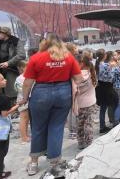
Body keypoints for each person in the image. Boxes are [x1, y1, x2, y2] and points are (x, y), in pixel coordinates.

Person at [19, 33, 83, 176]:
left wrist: (24, 98)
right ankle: (55, 162)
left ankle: (34, 163)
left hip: (41, 93)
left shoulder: (36, 58)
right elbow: (78, 79)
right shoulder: (68, 57)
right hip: (63, 93)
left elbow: (27, 83)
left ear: (45, 43)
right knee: (57, 127)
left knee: (38, 127)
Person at [0, 26, 26, 101]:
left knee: (11, 92)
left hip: (12, 70)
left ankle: (14, 109)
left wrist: (8, 63)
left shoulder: (16, 42)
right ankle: (3, 109)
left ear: (5, 33)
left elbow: (22, 55)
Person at [75, 53, 97, 150]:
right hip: (91, 102)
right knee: (88, 123)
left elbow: (74, 90)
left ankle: (80, 142)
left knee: (80, 123)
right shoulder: (92, 72)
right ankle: (89, 142)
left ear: (82, 63)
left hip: (79, 104)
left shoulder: (75, 76)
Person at [95, 51, 120, 133]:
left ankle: (102, 126)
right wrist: (112, 68)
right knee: (116, 103)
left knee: (103, 108)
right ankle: (115, 122)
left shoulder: (98, 64)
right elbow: (111, 77)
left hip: (100, 87)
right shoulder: (107, 65)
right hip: (108, 87)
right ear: (104, 56)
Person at [14, 60, 30, 143]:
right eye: (27, 67)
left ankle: (26, 134)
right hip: (23, 100)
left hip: (27, 99)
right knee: (23, 118)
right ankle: (23, 137)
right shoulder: (20, 78)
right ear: (22, 68)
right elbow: (19, 89)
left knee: (27, 119)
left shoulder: (26, 76)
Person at [65, 43, 79, 139]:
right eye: (75, 48)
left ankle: (72, 129)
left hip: (67, 86)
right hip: (72, 85)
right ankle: (73, 130)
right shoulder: (71, 60)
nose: (77, 49)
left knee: (71, 108)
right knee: (73, 108)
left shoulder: (65, 59)